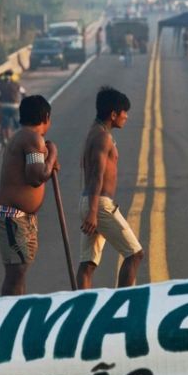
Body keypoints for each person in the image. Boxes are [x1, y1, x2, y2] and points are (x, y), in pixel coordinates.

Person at [0, 95, 59, 296]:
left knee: (20, 270)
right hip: (10, 215)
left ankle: (19, 308)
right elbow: (36, 176)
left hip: (19, 216)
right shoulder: (32, 138)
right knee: (16, 271)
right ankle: (10, 317)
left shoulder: (26, 137)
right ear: (46, 117)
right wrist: (52, 153)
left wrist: (48, 157)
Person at [77, 87, 143, 289]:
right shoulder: (102, 137)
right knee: (135, 254)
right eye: (124, 112)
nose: (127, 117)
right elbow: (97, 175)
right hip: (99, 205)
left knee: (88, 263)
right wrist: (94, 212)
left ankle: (83, 305)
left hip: (92, 203)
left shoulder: (95, 131)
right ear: (113, 114)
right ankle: (119, 302)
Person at [0, 70, 23, 144]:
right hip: (15, 106)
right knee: (17, 123)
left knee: (4, 123)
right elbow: (23, 93)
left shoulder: (0, 85)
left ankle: (5, 139)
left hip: (3, 106)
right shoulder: (16, 84)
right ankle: (19, 137)